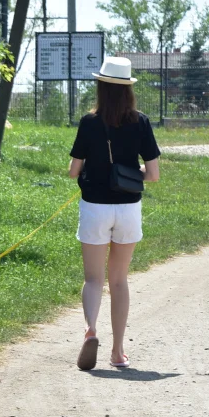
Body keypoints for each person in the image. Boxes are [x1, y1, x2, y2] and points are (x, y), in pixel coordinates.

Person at [68, 56, 160, 371]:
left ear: (101, 87)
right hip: (128, 208)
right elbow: (154, 174)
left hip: (94, 207)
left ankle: (90, 329)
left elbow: (72, 171)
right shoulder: (142, 122)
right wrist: (128, 173)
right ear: (128, 90)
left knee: (93, 279)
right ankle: (118, 352)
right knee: (119, 281)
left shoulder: (89, 122)